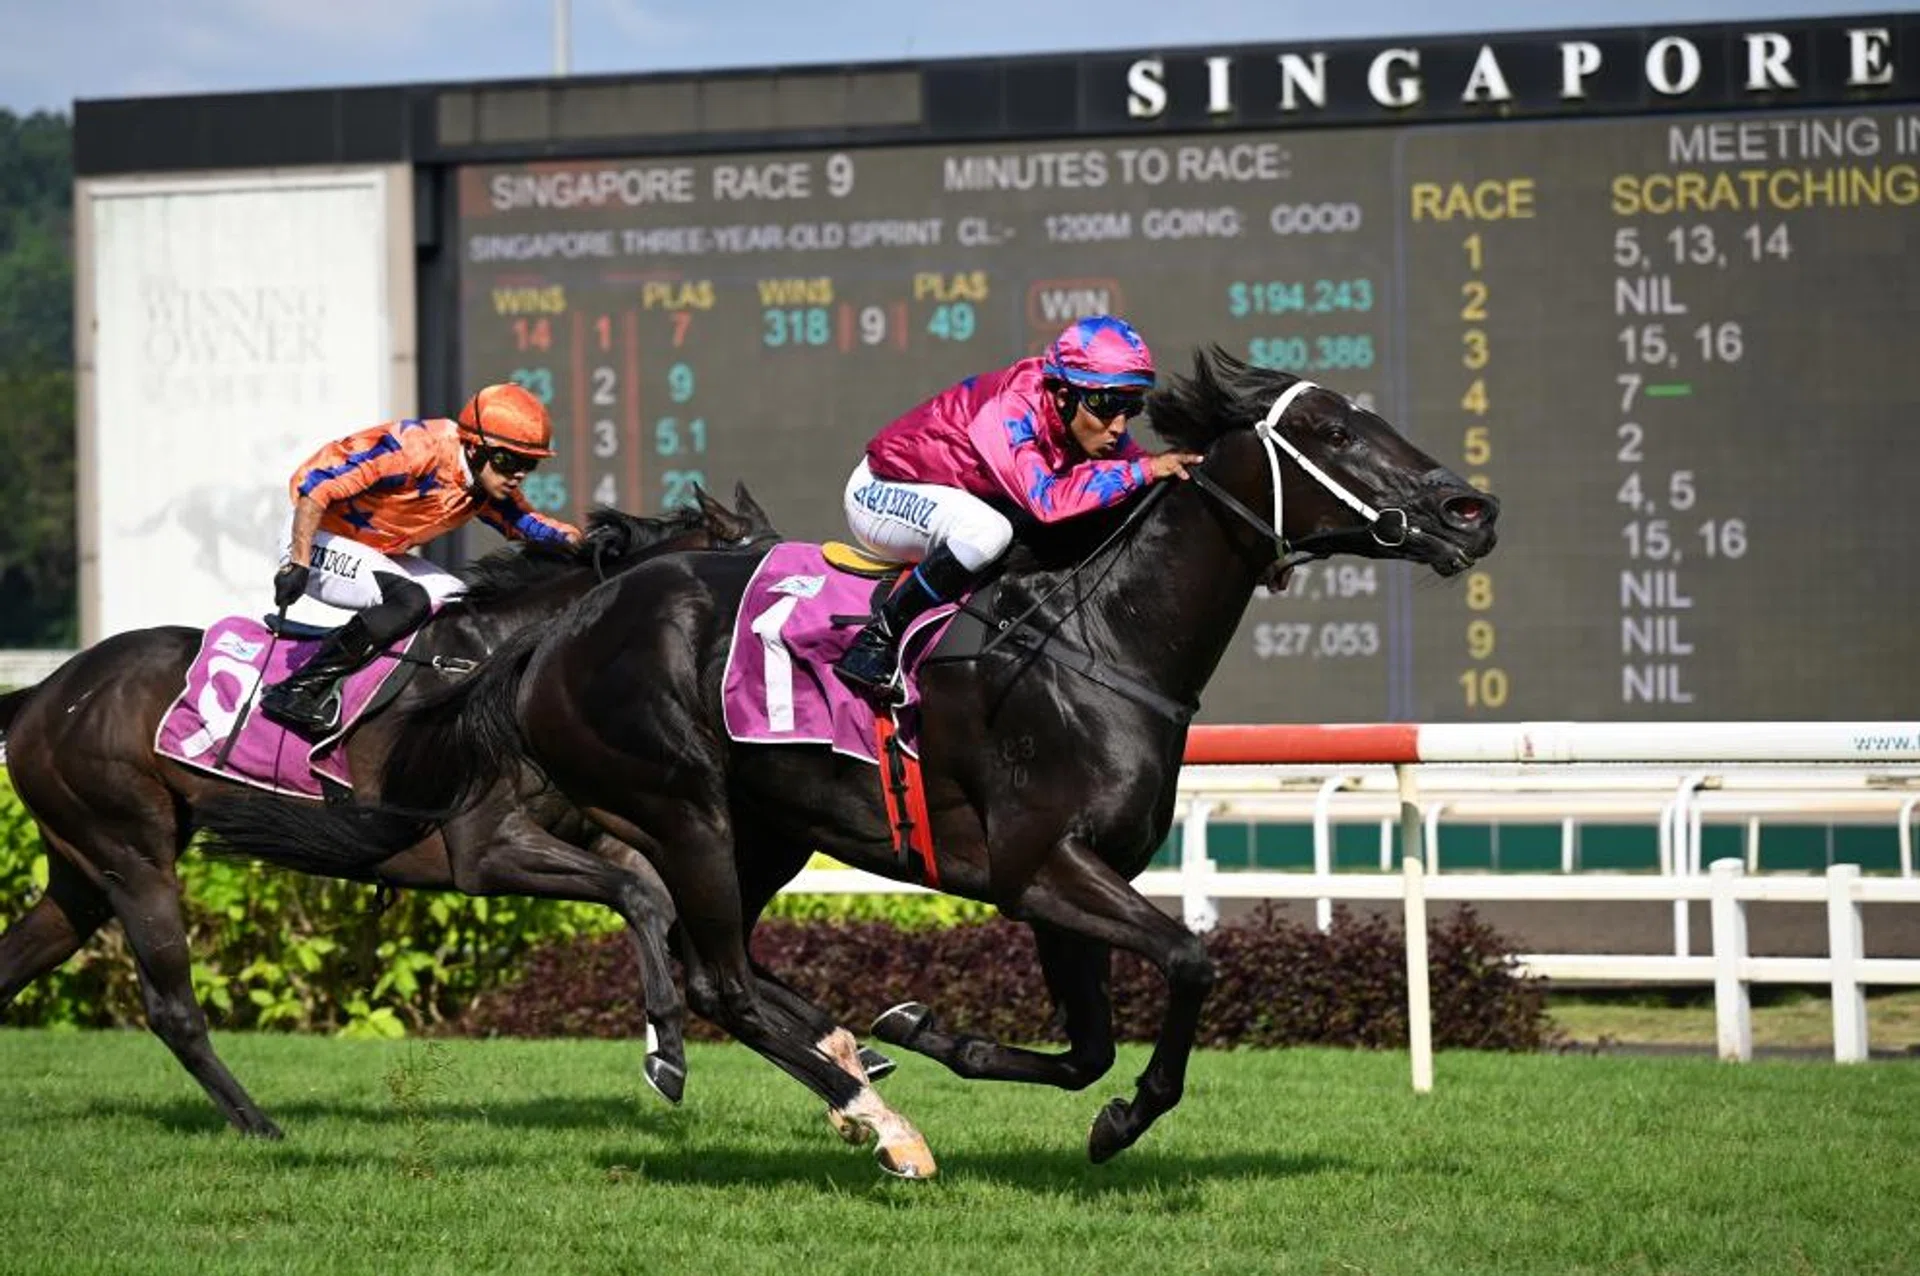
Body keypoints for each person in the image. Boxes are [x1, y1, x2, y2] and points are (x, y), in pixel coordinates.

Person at [834, 314, 1205, 699]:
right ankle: (877, 640)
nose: (1118, 426)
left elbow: (1140, 478)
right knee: (989, 532)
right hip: (881, 491)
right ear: (1064, 397)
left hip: (950, 490)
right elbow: (1048, 503)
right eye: (1107, 405)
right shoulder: (1008, 411)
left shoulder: (1080, 413)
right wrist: (1144, 470)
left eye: (1131, 408)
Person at [258, 382, 582, 733]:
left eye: (528, 465)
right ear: (474, 448)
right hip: (313, 536)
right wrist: (299, 563)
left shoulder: (486, 484)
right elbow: (315, 487)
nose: (517, 474)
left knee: (464, 609)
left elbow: (529, 525)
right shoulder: (417, 449)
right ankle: (295, 689)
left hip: (375, 552)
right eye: (508, 460)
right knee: (409, 601)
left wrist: (584, 543)